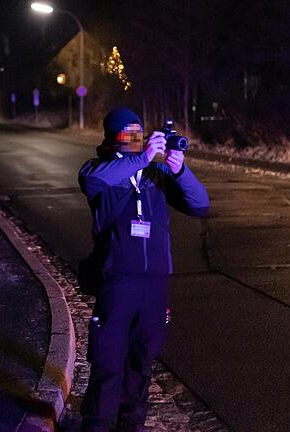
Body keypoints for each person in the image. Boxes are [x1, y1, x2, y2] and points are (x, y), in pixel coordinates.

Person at [78, 108, 210, 432]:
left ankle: (130, 425)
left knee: (142, 361)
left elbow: (200, 204)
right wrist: (142, 159)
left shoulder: (157, 175)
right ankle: (96, 425)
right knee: (108, 361)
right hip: (118, 281)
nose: (137, 140)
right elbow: (94, 181)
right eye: (129, 135)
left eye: (140, 133)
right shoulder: (99, 170)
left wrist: (180, 171)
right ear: (112, 139)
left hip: (154, 285)